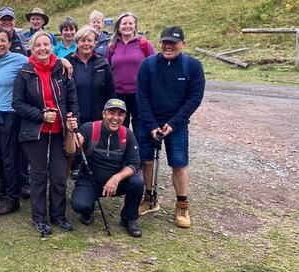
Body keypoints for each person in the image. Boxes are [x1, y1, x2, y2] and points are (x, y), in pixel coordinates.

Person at [136, 26, 205, 228]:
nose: (169, 47)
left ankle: (182, 204)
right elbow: (142, 96)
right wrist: (150, 125)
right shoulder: (148, 65)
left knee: (179, 164)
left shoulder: (192, 66)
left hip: (177, 124)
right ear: (160, 43)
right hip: (150, 122)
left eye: (173, 44)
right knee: (146, 161)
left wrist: (174, 124)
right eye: (165, 43)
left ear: (183, 43)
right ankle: (149, 198)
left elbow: (194, 99)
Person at [13, 31, 79, 235]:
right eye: (38, 45)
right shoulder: (25, 72)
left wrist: (73, 117)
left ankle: (58, 215)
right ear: (31, 49)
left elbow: (72, 98)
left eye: (46, 44)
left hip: (60, 131)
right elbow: (17, 103)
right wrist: (41, 114)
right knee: (39, 175)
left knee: (59, 175)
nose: (42, 48)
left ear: (52, 46)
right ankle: (39, 217)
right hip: (36, 131)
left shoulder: (62, 69)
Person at [71, 99, 145, 237]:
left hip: (116, 184)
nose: (115, 118)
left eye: (120, 114)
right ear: (104, 113)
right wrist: (74, 140)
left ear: (124, 117)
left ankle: (129, 218)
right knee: (79, 205)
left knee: (138, 183)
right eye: (112, 113)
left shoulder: (127, 135)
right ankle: (88, 210)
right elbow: (72, 154)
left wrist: (116, 178)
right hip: (90, 181)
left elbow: (134, 164)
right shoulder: (89, 129)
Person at [0, 28, 29, 216]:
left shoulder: (20, 60)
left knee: (10, 157)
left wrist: (64, 62)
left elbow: (40, 61)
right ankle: (3, 185)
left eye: (3, 41)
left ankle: (13, 198)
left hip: (10, 114)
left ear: (10, 43)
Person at [105, 12, 155, 135]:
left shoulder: (144, 45)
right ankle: (121, 153)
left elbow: (154, 68)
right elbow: (107, 69)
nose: (127, 26)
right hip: (118, 95)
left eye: (130, 23)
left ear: (135, 26)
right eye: (124, 23)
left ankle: (140, 153)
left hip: (140, 94)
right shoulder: (112, 46)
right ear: (119, 27)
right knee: (120, 130)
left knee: (141, 129)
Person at [64, 25, 115, 126]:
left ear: (95, 42)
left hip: (98, 120)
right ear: (77, 43)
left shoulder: (103, 63)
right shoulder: (67, 62)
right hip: (73, 119)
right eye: (83, 40)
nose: (86, 44)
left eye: (89, 40)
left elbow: (111, 92)